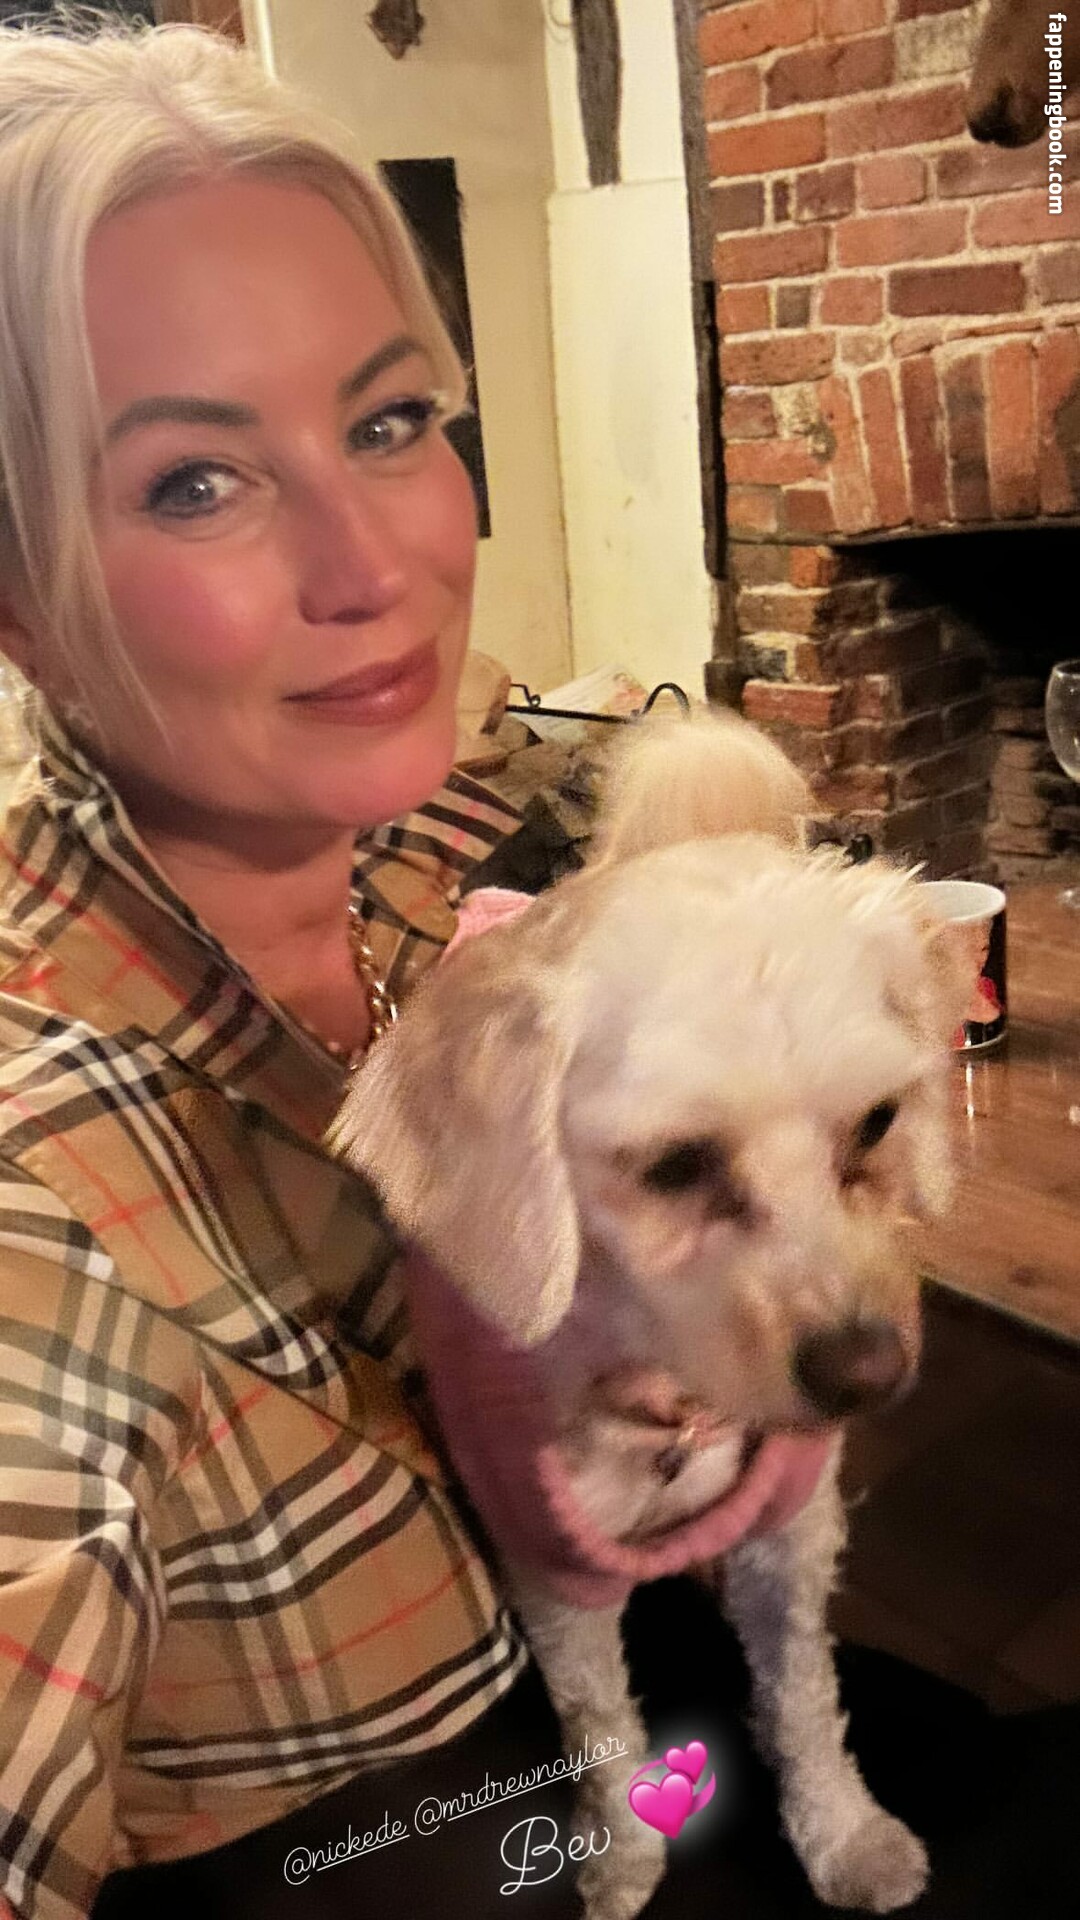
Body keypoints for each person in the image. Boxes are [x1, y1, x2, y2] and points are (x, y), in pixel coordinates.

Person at [0, 14, 535, 1916]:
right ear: (18, 593)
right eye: (195, 483)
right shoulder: (39, 1206)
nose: (373, 563)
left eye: (387, 424)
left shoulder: (444, 848)